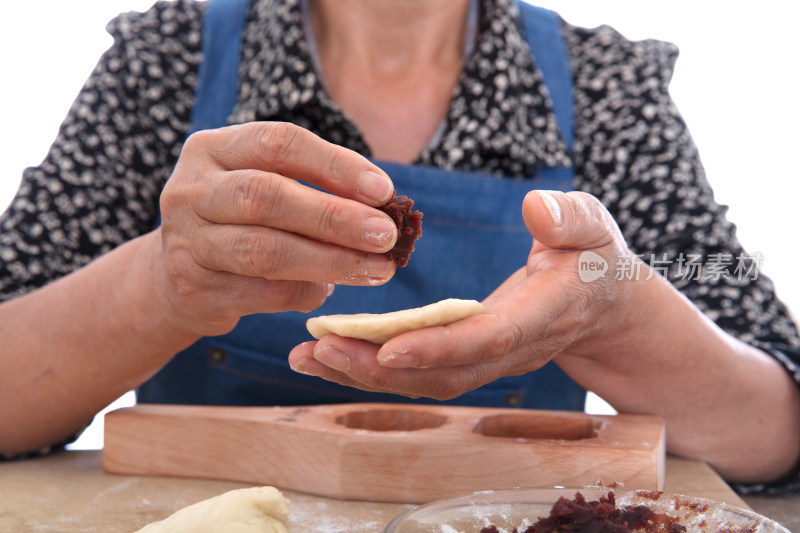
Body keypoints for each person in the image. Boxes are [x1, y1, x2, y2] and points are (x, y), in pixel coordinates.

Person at [1, 0, 799, 495]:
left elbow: (777, 425)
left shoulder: (605, 89)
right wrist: (159, 284)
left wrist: (619, 307)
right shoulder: (164, 63)